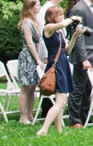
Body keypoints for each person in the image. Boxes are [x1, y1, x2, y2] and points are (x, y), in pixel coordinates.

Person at [36, 7, 85, 136]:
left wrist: (74, 36)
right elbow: (63, 24)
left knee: (60, 101)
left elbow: (67, 50)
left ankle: (59, 130)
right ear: (52, 16)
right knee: (61, 102)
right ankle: (44, 129)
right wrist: (73, 18)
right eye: (59, 14)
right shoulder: (48, 28)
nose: (62, 17)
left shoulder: (59, 32)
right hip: (56, 65)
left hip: (63, 63)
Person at [67, 0, 93, 128]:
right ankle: (75, 121)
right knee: (78, 89)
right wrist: (84, 58)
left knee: (87, 90)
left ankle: (84, 118)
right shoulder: (79, 9)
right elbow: (78, 35)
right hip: (84, 56)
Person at [17, 0, 44, 124]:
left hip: (35, 57)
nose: (39, 7)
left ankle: (30, 114)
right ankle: (22, 116)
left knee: (33, 88)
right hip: (28, 57)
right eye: (37, 5)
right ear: (31, 7)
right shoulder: (26, 22)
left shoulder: (35, 21)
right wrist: (38, 59)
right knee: (25, 87)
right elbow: (29, 43)